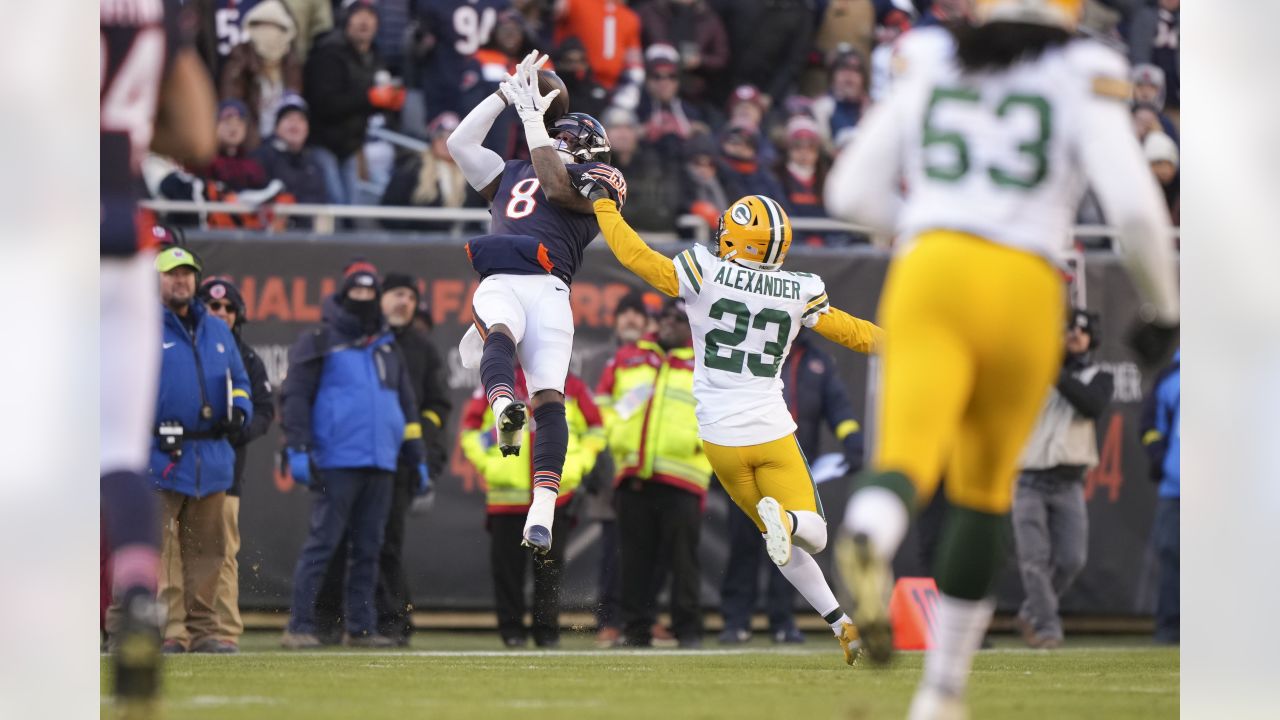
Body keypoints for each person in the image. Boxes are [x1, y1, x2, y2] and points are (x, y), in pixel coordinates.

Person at [824, 1, 1180, 715]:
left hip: (930, 264)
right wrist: (1163, 307)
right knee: (983, 492)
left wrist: (925, 232)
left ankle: (868, 529)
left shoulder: (929, 54)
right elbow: (1137, 212)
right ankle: (942, 692)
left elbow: (849, 191)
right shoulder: (1085, 68)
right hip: (1024, 279)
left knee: (906, 460)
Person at [582, 182, 883, 664]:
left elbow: (636, 256)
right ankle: (789, 525)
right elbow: (851, 332)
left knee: (779, 543)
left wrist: (602, 205)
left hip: (718, 438)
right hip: (769, 428)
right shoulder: (798, 289)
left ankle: (840, 623)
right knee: (813, 533)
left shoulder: (705, 270)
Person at [446, 52, 626, 555]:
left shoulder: (603, 182)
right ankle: (505, 407)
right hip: (512, 278)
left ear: (592, 150)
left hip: (547, 285)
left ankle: (542, 507)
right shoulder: (510, 172)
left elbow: (553, 184)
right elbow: (458, 143)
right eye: (558, 135)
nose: (559, 142)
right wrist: (504, 95)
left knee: (549, 396)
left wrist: (529, 118)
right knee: (502, 341)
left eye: (568, 139)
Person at [101, 0, 216, 706]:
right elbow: (196, 135)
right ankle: (140, 590)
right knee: (117, 450)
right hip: (120, 229)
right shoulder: (151, 12)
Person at [279, 261, 429, 649]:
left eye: (369, 294)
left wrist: (417, 456)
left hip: (382, 461)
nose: (363, 300)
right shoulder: (320, 340)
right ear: (343, 296)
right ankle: (300, 625)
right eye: (356, 293)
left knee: (369, 550)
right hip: (337, 460)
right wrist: (297, 446)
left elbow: (407, 406)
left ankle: (360, 628)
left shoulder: (386, 346)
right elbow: (295, 396)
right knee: (323, 545)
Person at [314, 272, 452, 646]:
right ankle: (326, 620)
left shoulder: (422, 348)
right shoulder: (364, 341)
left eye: (409, 296)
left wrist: (421, 446)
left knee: (384, 544)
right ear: (380, 300)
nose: (403, 302)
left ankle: (391, 622)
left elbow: (438, 404)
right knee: (336, 539)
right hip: (353, 456)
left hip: (399, 463)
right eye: (395, 294)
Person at [719, 328, 866, 645]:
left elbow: (837, 406)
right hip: (766, 451)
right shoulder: (755, 347)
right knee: (753, 546)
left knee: (782, 544)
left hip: (777, 458)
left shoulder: (816, 361)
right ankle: (736, 620)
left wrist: (851, 437)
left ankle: (782, 621)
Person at [144, 246, 255, 656]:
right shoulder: (141, 326)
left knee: (208, 552)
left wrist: (239, 411)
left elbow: (239, 378)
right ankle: (170, 630)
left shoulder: (216, 328)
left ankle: (205, 630)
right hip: (160, 452)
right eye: (172, 273)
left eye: (187, 273)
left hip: (210, 452)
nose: (181, 280)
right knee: (161, 551)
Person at [160, 277, 275, 654]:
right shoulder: (178, 343)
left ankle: (221, 629)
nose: (220, 312)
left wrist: (236, 429)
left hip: (224, 469)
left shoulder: (244, 355)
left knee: (220, 554)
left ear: (237, 314)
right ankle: (172, 630)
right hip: (175, 464)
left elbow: (263, 408)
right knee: (171, 553)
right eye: (212, 305)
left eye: (228, 308)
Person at [593, 297, 710, 648]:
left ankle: (687, 629)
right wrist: (617, 439)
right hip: (633, 474)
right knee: (634, 559)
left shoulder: (706, 366)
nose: (670, 324)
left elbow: (719, 417)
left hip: (684, 476)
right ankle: (637, 628)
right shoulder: (629, 358)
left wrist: (695, 446)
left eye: (680, 318)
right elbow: (603, 406)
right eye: (665, 317)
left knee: (682, 560)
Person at [461, 366, 604, 647]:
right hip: (507, 497)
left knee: (548, 569)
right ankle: (512, 633)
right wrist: (490, 466)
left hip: (554, 496)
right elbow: (469, 430)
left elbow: (596, 430)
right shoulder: (498, 385)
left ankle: (547, 633)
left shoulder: (571, 386)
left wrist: (576, 466)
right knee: (508, 571)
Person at [1012, 309, 1114, 649]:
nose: (1075, 336)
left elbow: (1091, 405)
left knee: (1072, 559)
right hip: (1029, 479)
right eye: (1069, 330)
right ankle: (1047, 628)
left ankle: (1031, 611)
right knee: (1034, 560)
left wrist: (1054, 370)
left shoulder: (1098, 376)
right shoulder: (1034, 372)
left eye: (1082, 332)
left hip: (1069, 481)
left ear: (1092, 339)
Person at [589, 289, 657, 647]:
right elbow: (593, 414)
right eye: (624, 313)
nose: (630, 319)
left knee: (648, 550)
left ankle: (643, 617)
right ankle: (609, 620)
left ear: (647, 323)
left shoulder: (656, 359)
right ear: (615, 321)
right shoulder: (602, 358)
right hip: (607, 469)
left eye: (637, 313)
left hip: (645, 470)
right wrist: (598, 466)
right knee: (612, 552)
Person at [303, 0, 405, 204]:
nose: (364, 21)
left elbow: (375, 101)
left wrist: (391, 104)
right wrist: (370, 98)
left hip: (351, 145)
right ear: (346, 21)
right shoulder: (329, 52)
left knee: (352, 208)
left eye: (370, 16)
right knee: (337, 204)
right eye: (358, 15)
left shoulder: (374, 57)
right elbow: (325, 104)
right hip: (323, 143)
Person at [379, 112, 486, 232]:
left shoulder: (473, 174)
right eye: (441, 136)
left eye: (453, 138)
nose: (447, 143)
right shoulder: (412, 169)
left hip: (462, 245)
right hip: (420, 245)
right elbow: (388, 210)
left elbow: (479, 216)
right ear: (432, 140)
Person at [219, 0, 303, 143]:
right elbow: (232, 106)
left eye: (277, 28)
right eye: (262, 26)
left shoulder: (290, 63)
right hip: (252, 143)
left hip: (283, 144)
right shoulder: (240, 59)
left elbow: (295, 106)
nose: (270, 33)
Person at [1140, 349, 1179, 645]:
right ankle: (1169, 630)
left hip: (1226, 492)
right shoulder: (1169, 377)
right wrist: (1163, 460)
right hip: (1176, 487)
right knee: (1171, 557)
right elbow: (1150, 427)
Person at [252, 93, 329, 207]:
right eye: (289, 118)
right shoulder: (261, 159)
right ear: (276, 126)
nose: (295, 124)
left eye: (300, 119)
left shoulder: (315, 162)